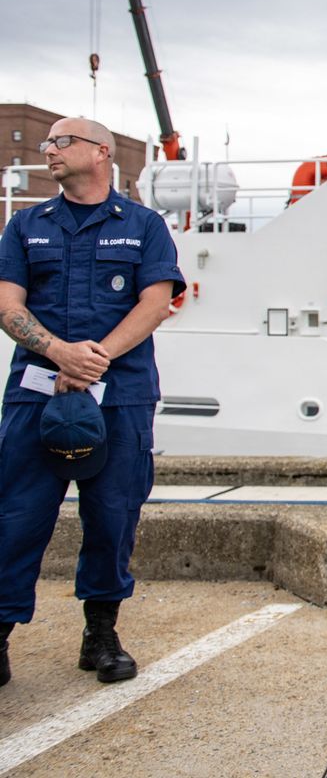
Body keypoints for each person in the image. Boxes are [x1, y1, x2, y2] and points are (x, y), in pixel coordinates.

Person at [0, 118, 185, 687]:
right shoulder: (26, 224)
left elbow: (155, 304)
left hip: (121, 397)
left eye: (61, 142)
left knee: (112, 517)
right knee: (16, 517)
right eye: (47, 142)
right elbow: (7, 304)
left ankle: (100, 633)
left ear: (100, 152)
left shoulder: (145, 226)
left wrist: (91, 361)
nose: (47, 150)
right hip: (36, 397)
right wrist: (59, 353)